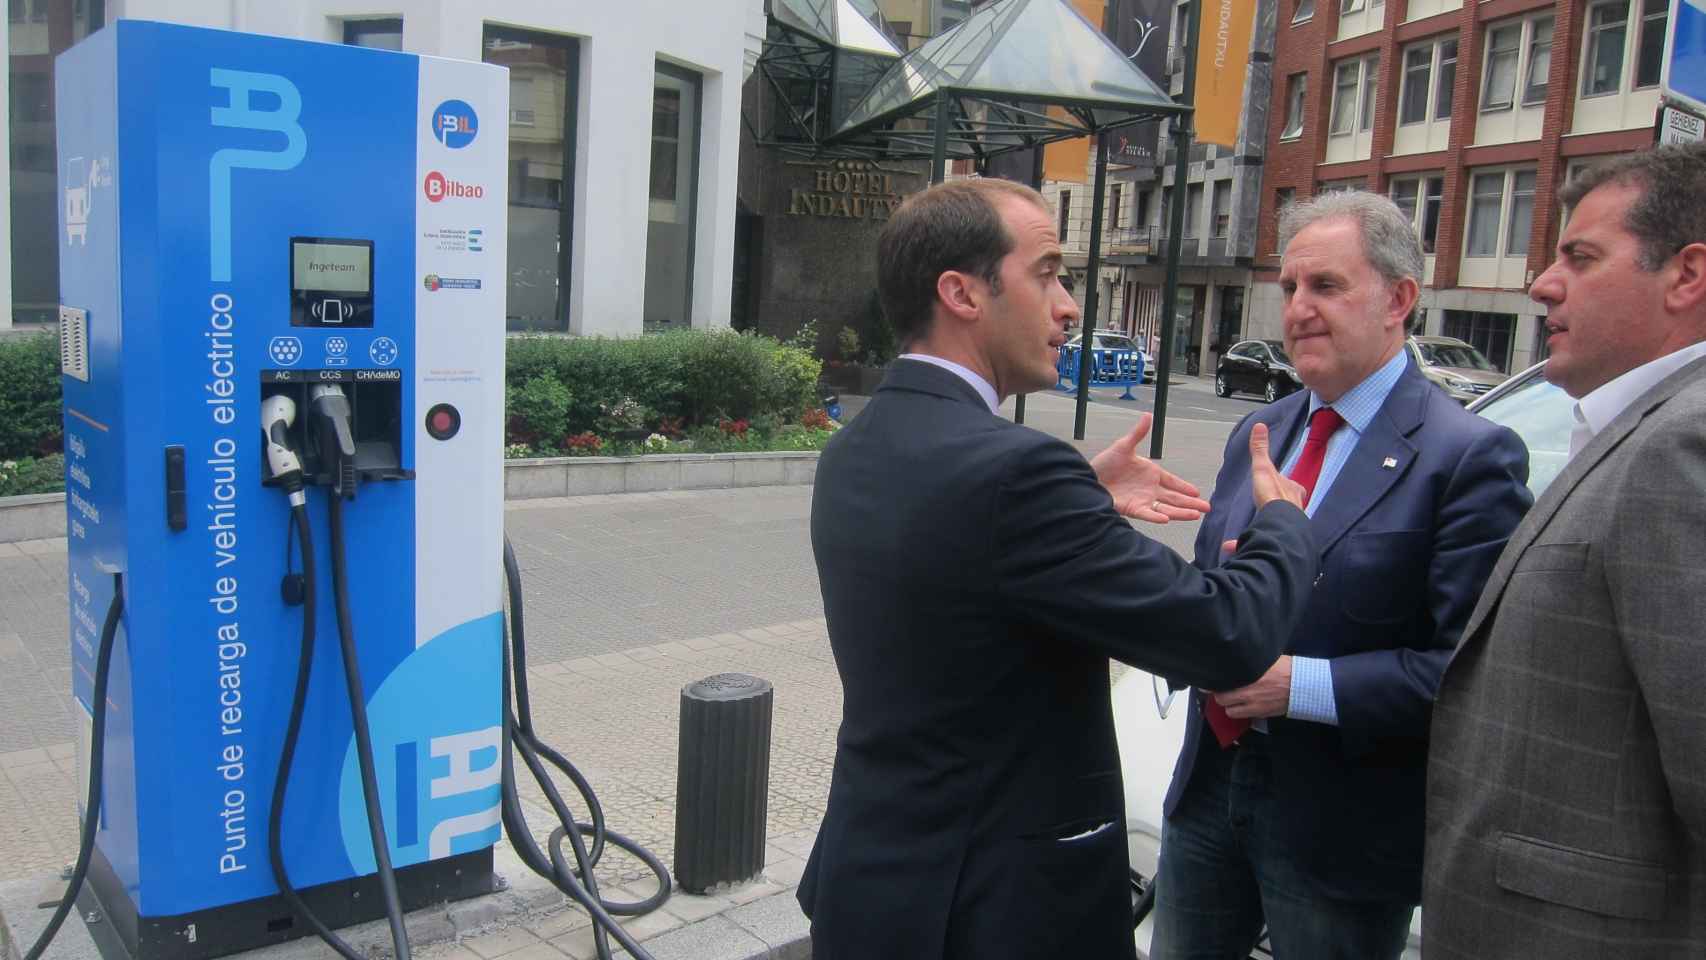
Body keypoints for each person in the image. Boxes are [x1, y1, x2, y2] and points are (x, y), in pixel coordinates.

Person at [797, 177, 1320, 960]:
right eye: (1047, 272)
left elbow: (961, 578)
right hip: (997, 913)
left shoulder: (854, 448)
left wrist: (1085, 504)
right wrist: (1284, 522)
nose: (1070, 304)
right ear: (962, 292)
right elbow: (1226, 634)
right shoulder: (1016, 473)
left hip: (875, 884)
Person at [1149, 191, 1532, 960]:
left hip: (1342, 828)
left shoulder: (1467, 457)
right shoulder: (1262, 433)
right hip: (1210, 789)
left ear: (1399, 299)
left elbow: (1471, 676)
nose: (1297, 309)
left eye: (1325, 286)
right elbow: (1214, 593)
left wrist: (1302, 686)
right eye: (1290, 288)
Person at [1424, 142, 1706, 958]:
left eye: (1580, 258)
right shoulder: (1636, 430)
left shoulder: (1682, 448)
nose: (1542, 284)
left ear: (1686, 276)